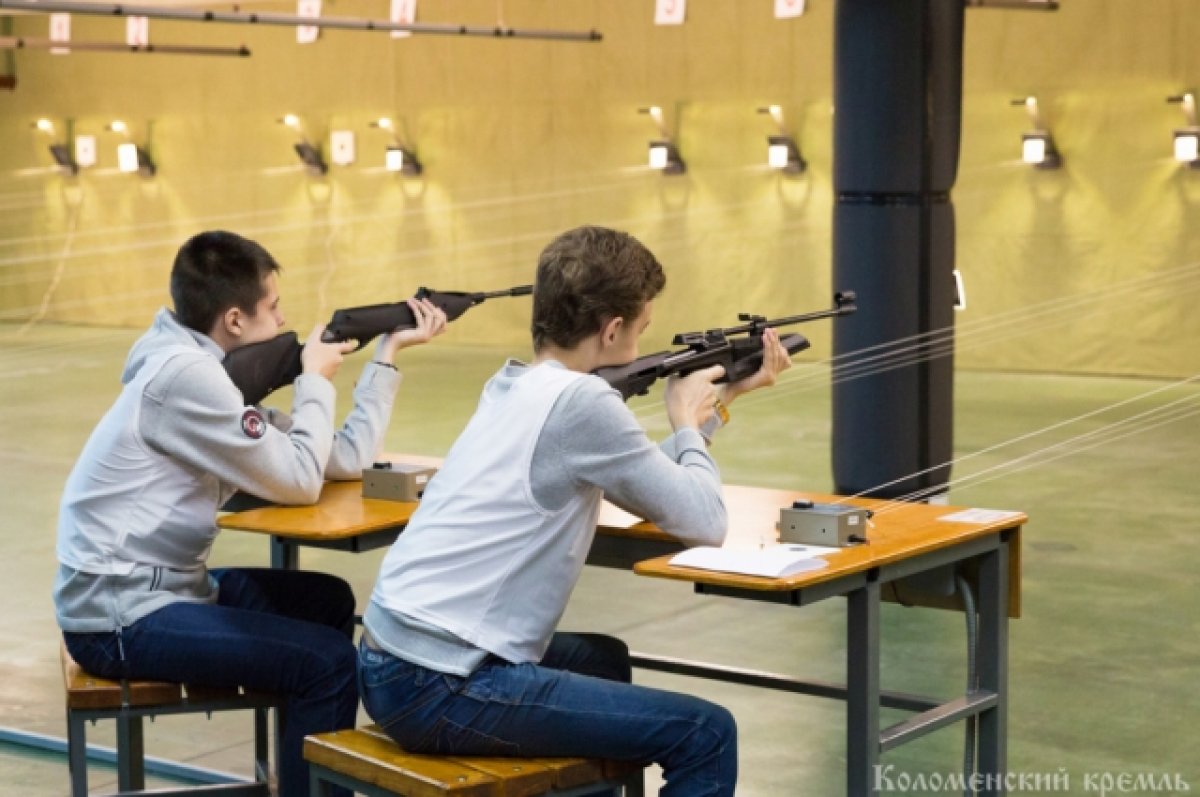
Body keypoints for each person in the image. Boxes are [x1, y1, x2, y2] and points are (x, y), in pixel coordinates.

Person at [358, 225, 791, 797]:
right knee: (706, 732)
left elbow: (641, 480)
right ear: (612, 330)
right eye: (640, 331)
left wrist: (718, 406)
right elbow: (704, 521)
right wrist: (684, 422)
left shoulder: (514, 384)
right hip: (440, 683)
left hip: (386, 656)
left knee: (601, 660)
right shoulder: (586, 403)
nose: (639, 344)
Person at [53, 230, 447, 797]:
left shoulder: (207, 371)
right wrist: (313, 380)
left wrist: (386, 356)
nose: (285, 319)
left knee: (325, 601)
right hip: (117, 613)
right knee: (328, 663)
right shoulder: (187, 378)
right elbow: (298, 481)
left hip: (164, 589)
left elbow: (335, 460)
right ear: (235, 320)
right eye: (275, 308)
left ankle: (297, 775)